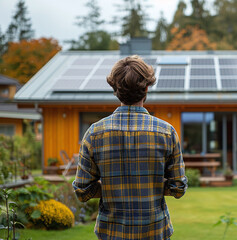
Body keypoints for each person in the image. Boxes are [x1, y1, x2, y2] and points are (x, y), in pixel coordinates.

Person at [73, 55, 187, 240]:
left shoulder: (94, 133)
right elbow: (178, 188)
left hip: (111, 233)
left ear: (115, 89)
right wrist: (152, 186)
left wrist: (111, 187)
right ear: (147, 88)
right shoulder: (166, 132)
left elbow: (82, 191)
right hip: (155, 232)